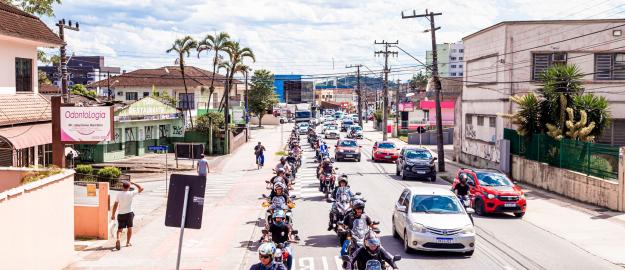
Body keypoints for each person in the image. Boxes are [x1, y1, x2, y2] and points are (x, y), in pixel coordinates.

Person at [111, 180, 144, 250]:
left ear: (122, 187)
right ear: (129, 187)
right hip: (129, 213)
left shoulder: (119, 194)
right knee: (129, 228)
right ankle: (128, 242)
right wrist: (134, 183)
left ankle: (118, 239)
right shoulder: (131, 193)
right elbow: (141, 188)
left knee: (120, 229)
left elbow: (115, 205)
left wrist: (113, 214)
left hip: (121, 214)